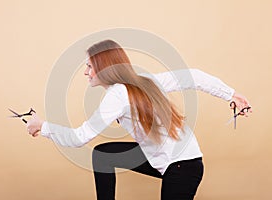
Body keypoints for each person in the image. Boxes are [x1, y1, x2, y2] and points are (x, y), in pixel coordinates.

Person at [27, 39, 252, 200]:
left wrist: (42, 126)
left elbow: (79, 137)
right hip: (170, 161)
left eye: (89, 66)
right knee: (103, 155)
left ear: (104, 68)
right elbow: (194, 76)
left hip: (183, 168)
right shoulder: (144, 80)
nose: (86, 72)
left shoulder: (117, 95)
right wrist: (230, 94)